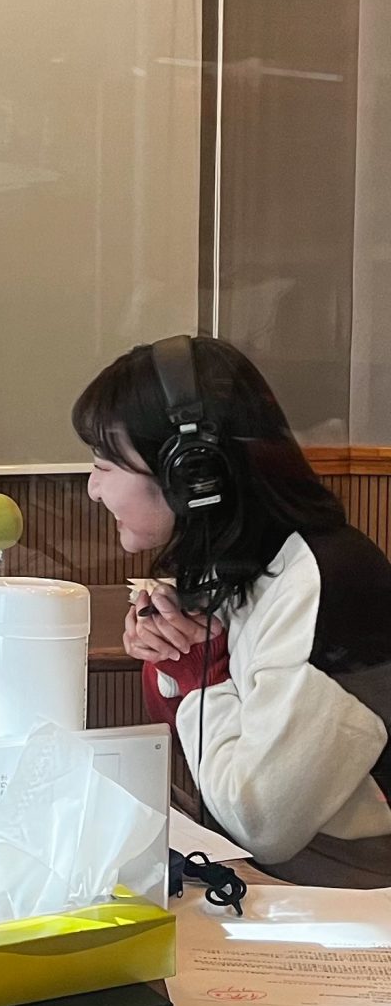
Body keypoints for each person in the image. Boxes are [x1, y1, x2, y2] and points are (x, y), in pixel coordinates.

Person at [74, 333, 391, 887]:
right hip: (273, 873)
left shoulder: (328, 582)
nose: (94, 489)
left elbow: (260, 820)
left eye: (105, 465)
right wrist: (169, 657)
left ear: (193, 474)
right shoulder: (237, 562)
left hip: (345, 894)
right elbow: (202, 735)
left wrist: (200, 672)